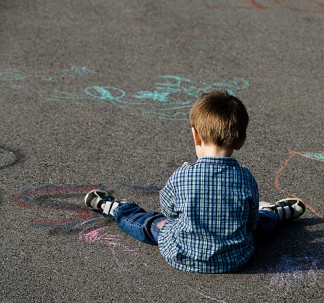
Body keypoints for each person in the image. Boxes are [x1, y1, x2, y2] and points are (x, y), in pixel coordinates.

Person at [84, 91, 305, 273]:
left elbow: (169, 212)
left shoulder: (182, 176)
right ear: (241, 141)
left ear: (195, 136)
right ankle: (275, 214)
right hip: (235, 258)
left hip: (182, 254)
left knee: (151, 223)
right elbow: (249, 221)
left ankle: (115, 209)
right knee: (258, 226)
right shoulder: (245, 178)